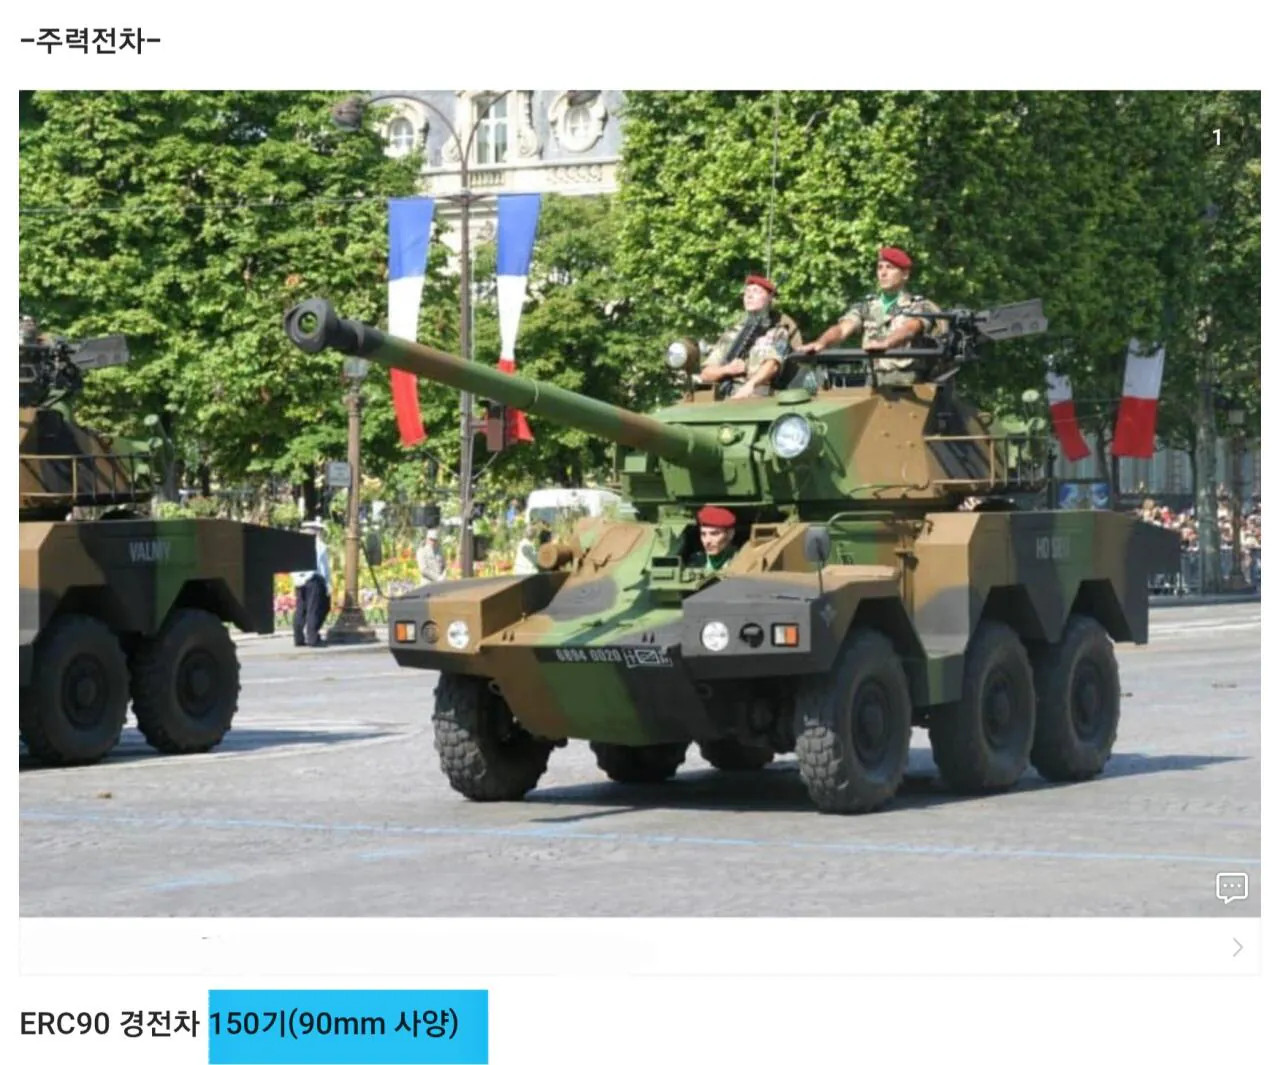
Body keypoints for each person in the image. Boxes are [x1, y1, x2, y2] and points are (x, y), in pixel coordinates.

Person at [796, 246, 943, 386]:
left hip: (907, 384)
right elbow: (842, 329)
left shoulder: (918, 305)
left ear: (905, 274)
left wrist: (886, 343)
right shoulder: (867, 306)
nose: (883, 273)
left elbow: (910, 328)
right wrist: (821, 343)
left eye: (890, 268)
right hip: (873, 383)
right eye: (880, 268)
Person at [699, 274, 801, 400]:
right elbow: (706, 373)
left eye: (756, 291)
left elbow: (772, 365)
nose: (749, 296)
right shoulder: (733, 334)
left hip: (760, 397)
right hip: (727, 397)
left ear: (770, 298)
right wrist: (727, 369)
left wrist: (750, 385)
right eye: (747, 292)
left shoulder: (778, 332)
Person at [291, 519, 331, 647]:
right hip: (314, 579)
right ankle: (313, 638)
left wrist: (297, 579)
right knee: (314, 609)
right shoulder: (319, 545)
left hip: (299, 581)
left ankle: (298, 638)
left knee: (301, 610)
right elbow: (323, 566)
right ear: (316, 532)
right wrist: (327, 583)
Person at [687, 505, 738, 573]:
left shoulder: (741, 559)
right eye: (703, 534)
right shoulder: (696, 561)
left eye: (714, 534)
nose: (707, 541)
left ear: (730, 534)